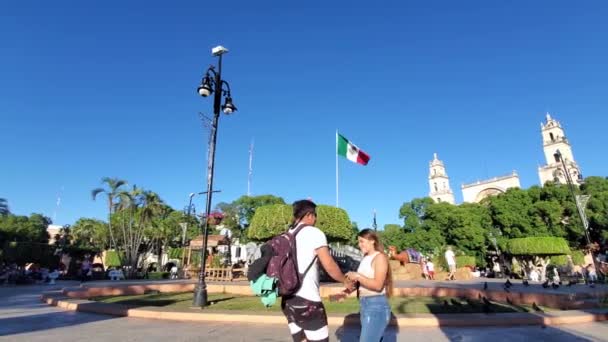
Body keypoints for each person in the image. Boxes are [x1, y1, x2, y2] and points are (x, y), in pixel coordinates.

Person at [281, 200, 349, 342]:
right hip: (308, 300)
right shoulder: (314, 233)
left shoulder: (287, 234)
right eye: (315, 215)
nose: (316, 219)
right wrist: (345, 280)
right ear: (309, 215)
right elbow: (329, 264)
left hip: (288, 299)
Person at [346, 229, 393, 342]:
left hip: (376, 306)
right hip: (365, 304)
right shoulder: (365, 258)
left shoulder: (380, 257)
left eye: (362, 241)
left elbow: (377, 285)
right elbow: (363, 282)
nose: (359, 245)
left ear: (372, 241)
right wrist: (348, 289)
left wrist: (357, 276)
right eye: (358, 242)